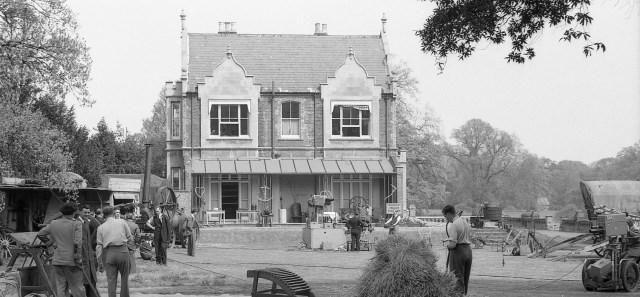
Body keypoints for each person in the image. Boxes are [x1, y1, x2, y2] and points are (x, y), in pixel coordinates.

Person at [37, 202, 87, 297]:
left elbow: (40, 234)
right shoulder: (76, 224)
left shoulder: (54, 223)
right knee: (77, 287)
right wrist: (78, 258)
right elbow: (77, 243)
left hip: (58, 259)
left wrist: (51, 243)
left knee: (61, 287)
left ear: (62, 212)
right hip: (72, 261)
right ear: (74, 212)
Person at [96, 206, 134, 297]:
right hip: (123, 252)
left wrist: (99, 261)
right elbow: (130, 238)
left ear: (103, 216)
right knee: (124, 280)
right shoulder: (121, 222)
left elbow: (99, 246)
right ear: (113, 214)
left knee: (111, 281)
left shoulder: (101, 227)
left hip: (110, 253)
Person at [442, 205, 472, 295]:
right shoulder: (464, 221)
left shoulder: (454, 225)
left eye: (445, 216)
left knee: (456, 278)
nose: (446, 219)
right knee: (465, 277)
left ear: (448, 214)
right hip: (468, 251)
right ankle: (463, 294)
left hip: (459, 252)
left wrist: (448, 246)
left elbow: (453, 244)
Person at [79, 205, 101, 297]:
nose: (87, 214)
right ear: (80, 212)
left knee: (91, 278)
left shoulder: (87, 222)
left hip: (89, 255)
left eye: (88, 213)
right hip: (81, 255)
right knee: (84, 280)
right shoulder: (77, 223)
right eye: (85, 212)